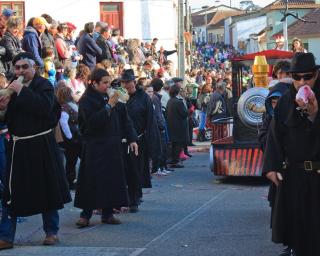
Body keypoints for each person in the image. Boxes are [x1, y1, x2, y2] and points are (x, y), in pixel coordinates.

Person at [0, 52, 71, 249]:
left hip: (41, 144)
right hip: (19, 145)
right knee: (11, 192)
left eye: (24, 67)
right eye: (17, 67)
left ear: (34, 68)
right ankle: (6, 236)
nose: (20, 71)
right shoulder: (12, 87)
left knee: (46, 188)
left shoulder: (44, 85)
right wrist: (3, 109)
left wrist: (21, 90)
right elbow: (7, 118)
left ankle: (51, 231)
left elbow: (44, 108)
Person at [263, 52, 320, 256]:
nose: (302, 81)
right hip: (294, 175)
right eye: (296, 77)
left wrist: (314, 115)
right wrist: (271, 166)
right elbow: (274, 134)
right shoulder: (286, 100)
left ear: (316, 74)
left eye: (307, 76)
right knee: (297, 228)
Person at [75, 68, 137, 227]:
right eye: (104, 83)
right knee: (91, 181)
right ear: (94, 83)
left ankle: (108, 213)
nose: (108, 85)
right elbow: (91, 123)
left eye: (109, 82)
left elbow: (125, 119)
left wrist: (132, 138)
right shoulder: (86, 100)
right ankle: (86, 214)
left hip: (112, 144)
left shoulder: (115, 97)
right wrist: (108, 106)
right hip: (94, 145)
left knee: (111, 180)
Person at [121, 69, 155, 212]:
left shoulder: (143, 97)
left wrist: (150, 141)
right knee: (124, 171)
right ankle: (126, 197)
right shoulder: (119, 97)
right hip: (121, 140)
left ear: (134, 82)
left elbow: (149, 119)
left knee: (136, 170)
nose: (127, 85)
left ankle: (134, 199)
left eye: (129, 82)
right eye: (124, 82)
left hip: (139, 139)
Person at [56, 84, 82, 190]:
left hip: (76, 135)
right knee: (71, 160)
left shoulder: (69, 105)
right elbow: (63, 123)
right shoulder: (64, 107)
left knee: (74, 159)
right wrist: (70, 137)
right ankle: (71, 181)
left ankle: (73, 179)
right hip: (71, 137)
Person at [166, 84, 189, 168]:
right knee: (178, 145)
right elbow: (184, 114)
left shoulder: (170, 101)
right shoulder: (179, 102)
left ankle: (173, 160)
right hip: (179, 126)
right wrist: (189, 111)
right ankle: (175, 161)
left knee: (174, 144)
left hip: (171, 125)